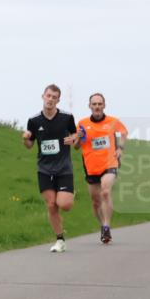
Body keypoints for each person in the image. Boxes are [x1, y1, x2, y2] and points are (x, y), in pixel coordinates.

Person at [23, 84, 80, 252]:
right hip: (44, 169)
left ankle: (69, 194)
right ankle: (60, 240)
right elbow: (29, 144)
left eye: (54, 97)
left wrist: (74, 139)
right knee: (51, 205)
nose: (50, 99)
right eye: (48, 96)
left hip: (63, 168)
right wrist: (25, 138)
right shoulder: (34, 121)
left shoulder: (67, 117)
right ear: (43, 96)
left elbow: (76, 136)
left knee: (65, 205)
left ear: (58, 100)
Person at [77, 93, 128, 243]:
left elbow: (124, 133)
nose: (97, 107)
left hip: (109, 163)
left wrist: (120, 148)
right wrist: (78, 137)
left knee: (105, 191)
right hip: (91, 166)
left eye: (100, 104)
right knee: (95, 201)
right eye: (94, 104)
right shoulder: (82, 123)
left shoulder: (113, 121)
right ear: (89, 106)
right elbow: (75, 146)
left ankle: (107, 226)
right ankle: (102, 226)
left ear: (104, 105)